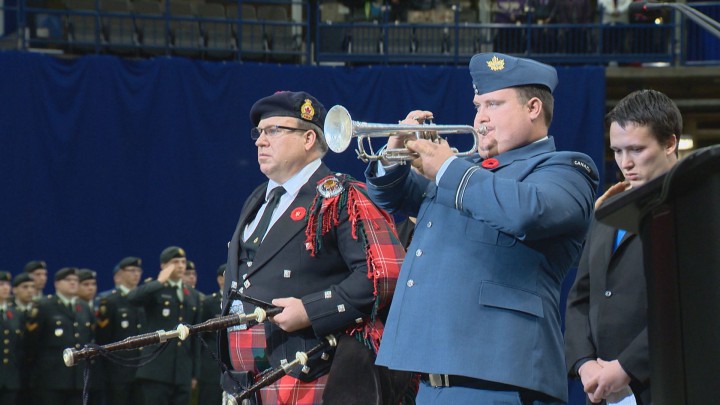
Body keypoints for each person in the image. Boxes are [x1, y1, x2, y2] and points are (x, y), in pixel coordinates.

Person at [364, 52, 599, 404]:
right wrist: (392, 154)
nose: (480, 118)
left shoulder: (567, 170)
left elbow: (527, 212)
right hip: (430, 381)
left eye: (494, 104)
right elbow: (393, 196)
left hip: (499, 380)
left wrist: (446, 168)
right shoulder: (468, 170)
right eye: (478, 105)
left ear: (533, 107)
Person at [218, 91, 406, 405]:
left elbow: (384, 274)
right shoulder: (257, 200)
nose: (260, 141)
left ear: (308, 138)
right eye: (259, 132)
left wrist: (312, 310)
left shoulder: (340, 196)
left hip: (308, 373)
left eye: (274, 130)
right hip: (244, 383)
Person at [564, 89, 681, 405]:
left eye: (637, 149)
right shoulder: (609, 207)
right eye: (617, 151)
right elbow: (581, 295)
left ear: (670, 143)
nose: (625, 163)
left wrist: (628, 366)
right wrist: (583, 363)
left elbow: (694, 304)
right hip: (604, 389)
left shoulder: (696, 208)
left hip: (671, 385)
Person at [127, 246, 201, 405]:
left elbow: (195, 337)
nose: (181, 265)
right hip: (156, 370)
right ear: (164, 266)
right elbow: (132, 298)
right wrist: (159, 281)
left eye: (183, 261)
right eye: (175, 262)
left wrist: (194, 373)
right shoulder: (155, 290)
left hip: (182, 371)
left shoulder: (192, 295)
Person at [24, 267, 97, 404]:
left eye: (76, 280)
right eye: (68, 280)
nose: (73, 283)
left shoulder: (84, 307)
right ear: (57, 283)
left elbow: (90, 337)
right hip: (51, 376)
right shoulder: (44, 306)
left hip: (78, 377)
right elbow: (31, 342)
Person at [95, 256, 145, 405]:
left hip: (142, 366)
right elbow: (103, 337)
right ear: (119, 275)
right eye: (131, 270)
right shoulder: (109, 300)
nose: (136, 274)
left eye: (138, 271)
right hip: (118, 368)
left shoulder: (144, 298)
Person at [196, 264, 225, 405]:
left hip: (233, 366)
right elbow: (200, 338)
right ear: (220, 279)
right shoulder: (209, 303)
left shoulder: (241, 301)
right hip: (211, 367)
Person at [0, 271, 24, 405]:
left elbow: (20, 345)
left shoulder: (15, 314)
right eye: (1, 284)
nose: (5, 287)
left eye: (7, 284)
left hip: (10, 378)